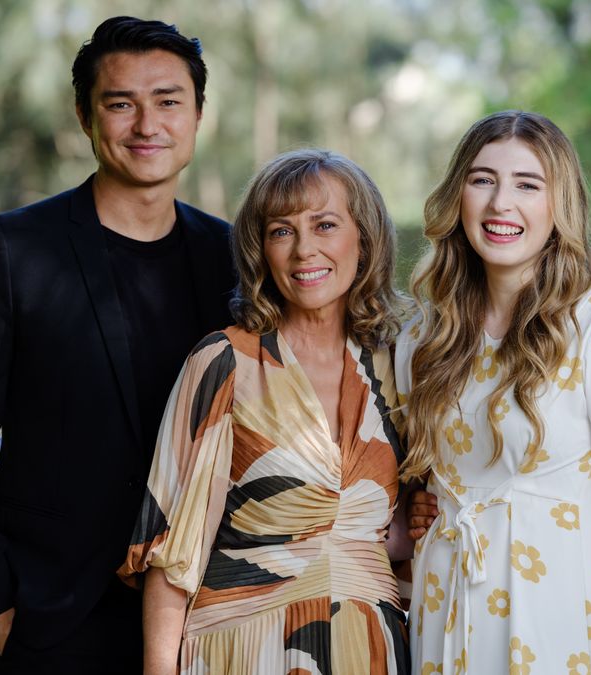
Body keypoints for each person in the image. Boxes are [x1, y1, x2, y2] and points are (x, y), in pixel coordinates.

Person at [0, 17, 236, 673]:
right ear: (86, 116)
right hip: (56, 622)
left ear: (198, 113)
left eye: (168, 101)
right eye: (121, 103)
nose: (147, 125)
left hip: (208, 618)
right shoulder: (15, 251)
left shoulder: (234, 256)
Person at [396, 110, 591, 675]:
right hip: (442, 628)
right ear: (458, 197)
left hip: (559, 634)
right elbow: (408, 500)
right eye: (482, 180)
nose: (502, 203)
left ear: (559, 206)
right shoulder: (421, 340)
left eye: (528, 184)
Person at [119, 149, 410, 674]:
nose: (304, 250)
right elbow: (172, 557)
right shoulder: (225, 362)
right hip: (243, 648)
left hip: (370, 648)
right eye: (282, 231)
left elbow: (406, 525)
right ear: (262, 250)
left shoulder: (398, 370)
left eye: (325, 225)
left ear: (363, 240)